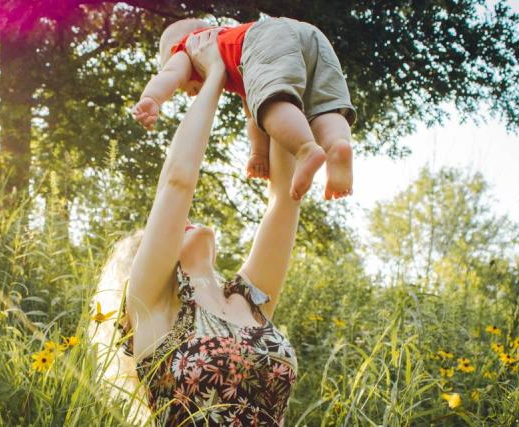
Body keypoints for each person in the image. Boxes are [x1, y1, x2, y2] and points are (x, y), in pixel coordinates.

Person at [92, 30, 300, 426]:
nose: (182, 220)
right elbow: (178, 181)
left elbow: (286, 201)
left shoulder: (249, 301)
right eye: (167, 232)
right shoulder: (152, 306)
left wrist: (260, 82)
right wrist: (217, 72)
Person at [132, 17, 356, 201]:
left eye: (185, 88)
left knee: (272, 105)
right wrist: (258, 154)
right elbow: (253, 115)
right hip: (311, 36)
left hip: (267, 36)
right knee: (324, 107)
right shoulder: (239, 57)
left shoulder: (189, 48)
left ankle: (306, 149)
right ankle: (337, 145)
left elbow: (170, 74)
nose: (190, 93)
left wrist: (152, 98)